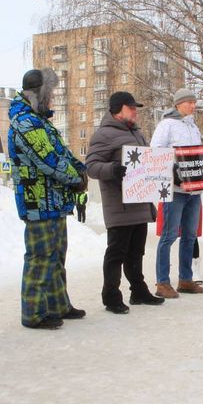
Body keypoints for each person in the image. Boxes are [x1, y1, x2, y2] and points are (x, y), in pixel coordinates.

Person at [9, 69, 88, 328]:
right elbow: (46, 158)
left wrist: (79, 169)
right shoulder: (25, 121)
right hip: (37, 202)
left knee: (56, 255)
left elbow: (61, 152)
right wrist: (73, 178)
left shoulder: (38, 120)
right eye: (50, 92)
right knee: (40, 257)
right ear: (40, 93)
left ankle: (57, 304)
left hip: (53, 200)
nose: (53, 98)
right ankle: (33, 313)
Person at [85, 91, 163, 313]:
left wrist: (166, 170)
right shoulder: (103, 135)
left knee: (136, 252)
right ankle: (111, 296)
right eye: (131, 108)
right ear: (118, 109)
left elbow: (147, 164)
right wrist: (111, 169)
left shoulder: (137, 133)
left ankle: (138, 291)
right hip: (120, 205)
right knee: (116, 253)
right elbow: (91, 166)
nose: (135, 111)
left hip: (139, 202)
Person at [150, 88, 203, 297]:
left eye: (194, 102)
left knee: (190, 235)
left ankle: (186, 279)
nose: (193, 105)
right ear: (177, 104)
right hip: (174, 189)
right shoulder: (166, 125)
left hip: (194, 190)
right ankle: (162, 283)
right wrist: (171, 169)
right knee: (169, 235)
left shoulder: (193, 127)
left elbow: (199, 155)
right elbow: (155, 151)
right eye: (188, 102)